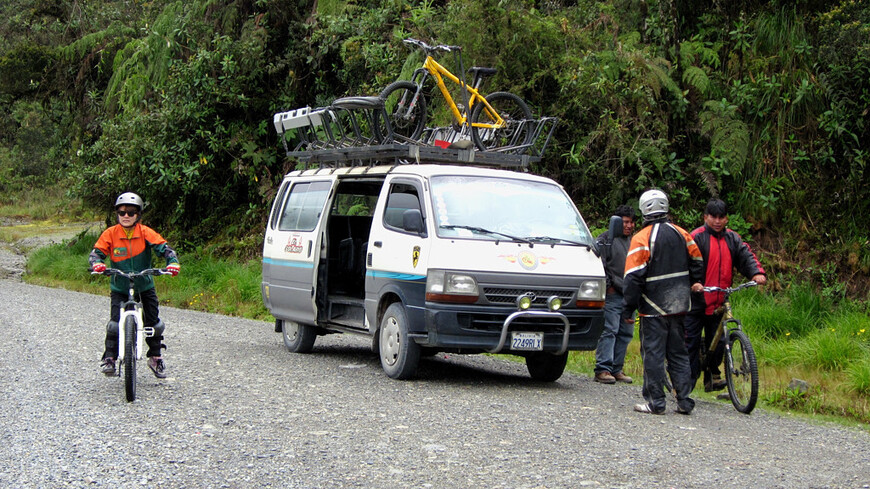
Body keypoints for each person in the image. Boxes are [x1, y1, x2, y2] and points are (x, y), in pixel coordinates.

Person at [623, 189, 704, 415]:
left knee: (654, 355)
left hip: (652, 308)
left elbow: (633, 277)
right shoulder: (682, 233)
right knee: (678, 353)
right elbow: (697, 260)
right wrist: (694, 281)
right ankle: (685, 401)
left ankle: (656, 402)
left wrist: (628, 307)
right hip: (679, 305)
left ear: (644, 210)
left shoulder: (642, 238)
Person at [89, 192, 179, 379]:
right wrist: (97, 264)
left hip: (144, 284)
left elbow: (165, 248)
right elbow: (96, 253)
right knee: (114, 324)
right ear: (117, 214)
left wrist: (172, 262)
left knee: (154, 322)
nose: (126, 216)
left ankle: (155, 356)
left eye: (131, 212)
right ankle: (110, 359)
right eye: (122, 212)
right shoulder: (110, 234)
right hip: (120, 286)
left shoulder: (145, 232)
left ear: (138, 215)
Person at [685, 198, 766, 392]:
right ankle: (684, 382)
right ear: (706, 217)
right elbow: (684, 263)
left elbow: (746, 256)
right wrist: (693, 283)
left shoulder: (733, 239)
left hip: (719, 300)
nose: (717, 221)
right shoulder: (696, 237)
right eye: (713, 217)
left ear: (727, 218)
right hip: (696, 300)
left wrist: (756, 273)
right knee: (690, 342)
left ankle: (713, 374)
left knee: (720, 340)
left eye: (721, 217)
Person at [593, 205, 637, 384]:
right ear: (616, 222)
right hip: (612, 294)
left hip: (629, 295)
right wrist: (609, 287)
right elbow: (599, 265)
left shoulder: (634, 241)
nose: (629, 226)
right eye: (625, 222)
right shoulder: (605, 240)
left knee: (626, 332)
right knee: (609, 330)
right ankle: (603, 368)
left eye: (632, 222)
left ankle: (617, 368)